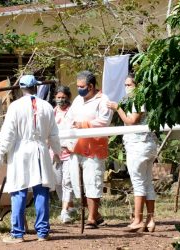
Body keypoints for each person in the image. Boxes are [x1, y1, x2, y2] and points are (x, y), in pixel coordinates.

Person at [0, 74, 61, 243]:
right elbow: (54, 134)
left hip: (21, 151)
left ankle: (17, 233)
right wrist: (58, 152)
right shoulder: (47, 106)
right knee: (41, 190)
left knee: (18, 191)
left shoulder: (15, 106)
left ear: (21, 88)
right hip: (40, 150)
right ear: (36, 87)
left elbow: (8, 133)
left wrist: (2, 151)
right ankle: (42, 232)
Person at [106, 74, 157, 232]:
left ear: (138, 85)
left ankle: (138, 220)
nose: (127, 87)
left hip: (138, 145)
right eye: (126, 85)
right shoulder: (143, 98)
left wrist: (117, 108)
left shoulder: (138, 99)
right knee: (147, 182)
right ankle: (150, 220)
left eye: (129, 84)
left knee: (138, 183)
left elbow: (132, 120)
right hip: (147, 145)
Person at [65, 70, 113, 229]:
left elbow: (104, 121)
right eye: (78, 86)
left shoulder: (103, 100)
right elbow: (69, 118)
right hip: (77, 147)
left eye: (82, 86)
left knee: (93, 182)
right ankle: (96, 214)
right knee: (79, 185)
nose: (79, 89)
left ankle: (92, 218)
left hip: (94, 149)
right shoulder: (78, 100)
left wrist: (84, 124)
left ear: (91, 86)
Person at [51, 86, 76, 224]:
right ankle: (70, 206)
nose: (61, 100)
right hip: (55, 152)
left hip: (69, 151)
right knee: (58, 182)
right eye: (58, 97)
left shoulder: (73, 112)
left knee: (67, 181)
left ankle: (64, 211)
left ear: (68, 97)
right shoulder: (52, 112)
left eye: (63, 97)